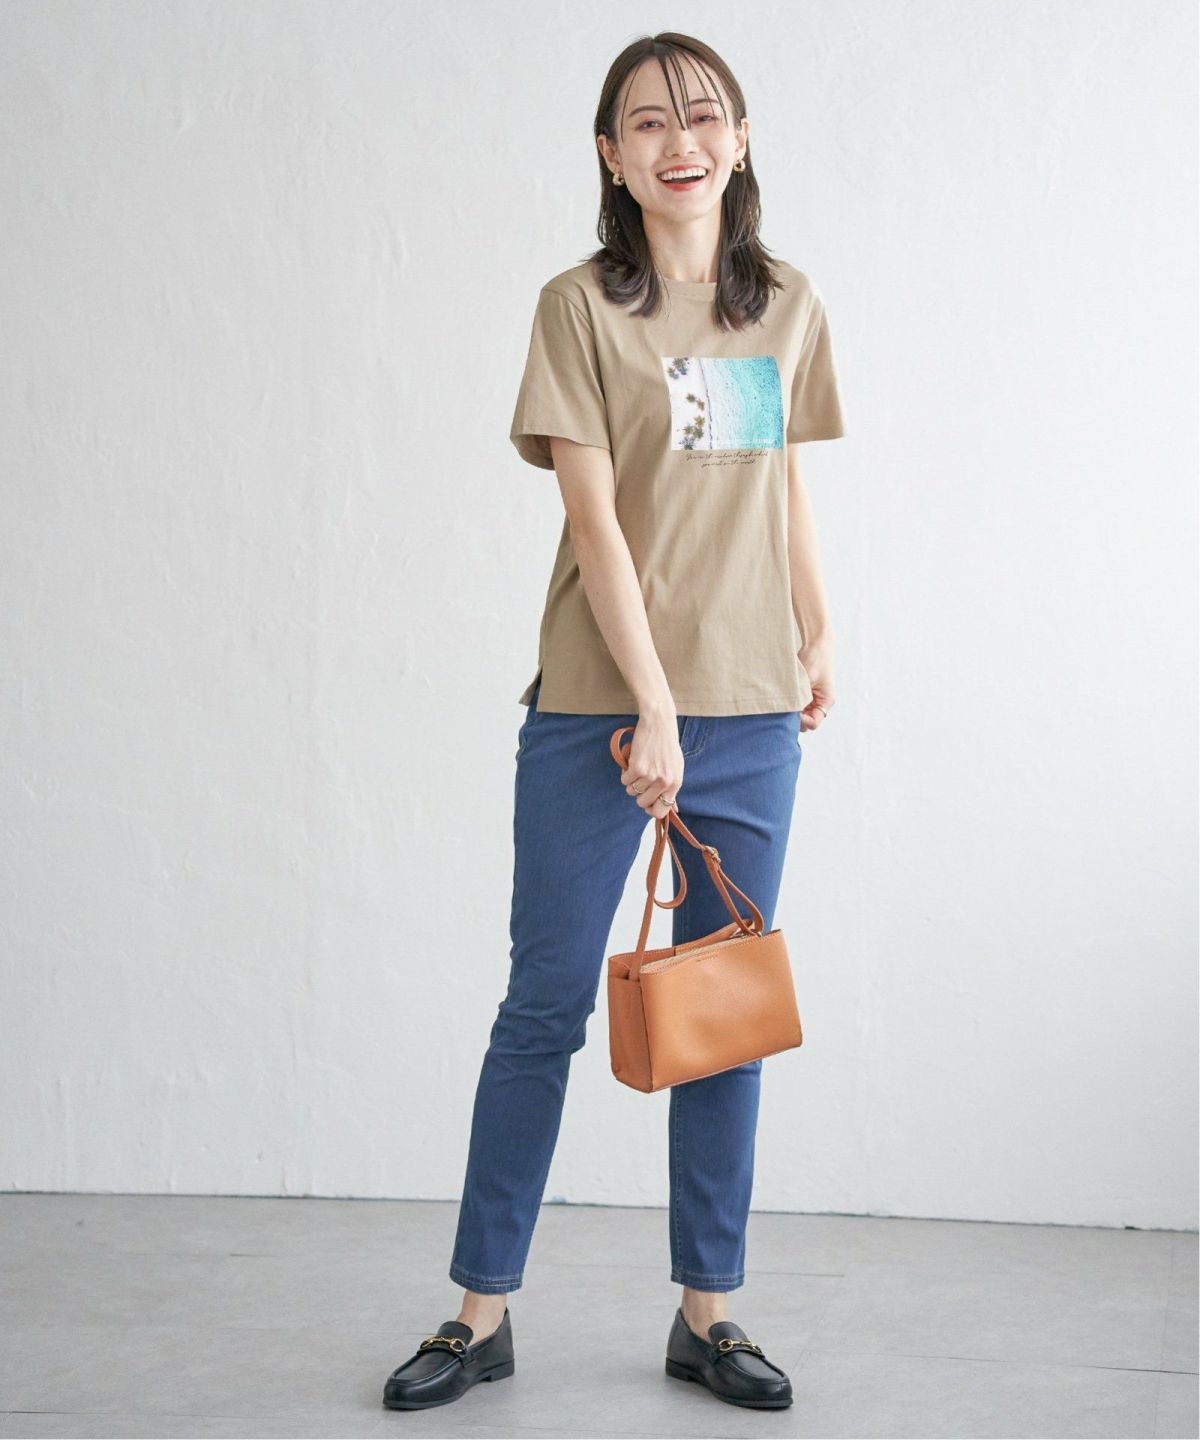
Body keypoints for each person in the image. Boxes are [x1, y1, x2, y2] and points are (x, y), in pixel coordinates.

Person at [383, 30, 845, 1414]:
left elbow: (783, 482)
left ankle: (710, 1314)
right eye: (646, 121)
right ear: (611, 154)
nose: (677, 139)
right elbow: (593, 520)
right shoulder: (579, 308)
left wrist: (820, 624)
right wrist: (651, 707)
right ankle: (479, 1313)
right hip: (600, 705)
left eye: (702, 115)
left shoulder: (788, 304)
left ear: (741, 138)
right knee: (543, 1006)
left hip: (751, 703)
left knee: (722, 1012)